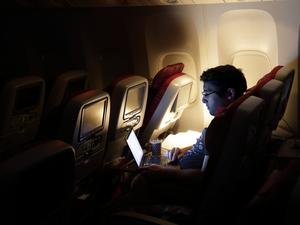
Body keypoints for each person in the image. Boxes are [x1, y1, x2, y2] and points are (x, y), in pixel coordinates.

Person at [103, 64, 247, 211]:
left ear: (229, 94)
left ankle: (114, 212)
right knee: (145, 167)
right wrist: (184, 151)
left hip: (184, 185)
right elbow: (208, 151)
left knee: (140, 178)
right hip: (179, 169)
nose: (203, 100)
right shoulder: (229, 118)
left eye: (207, 94)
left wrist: (167, 172)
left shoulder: (221, 126)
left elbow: (204, 177)